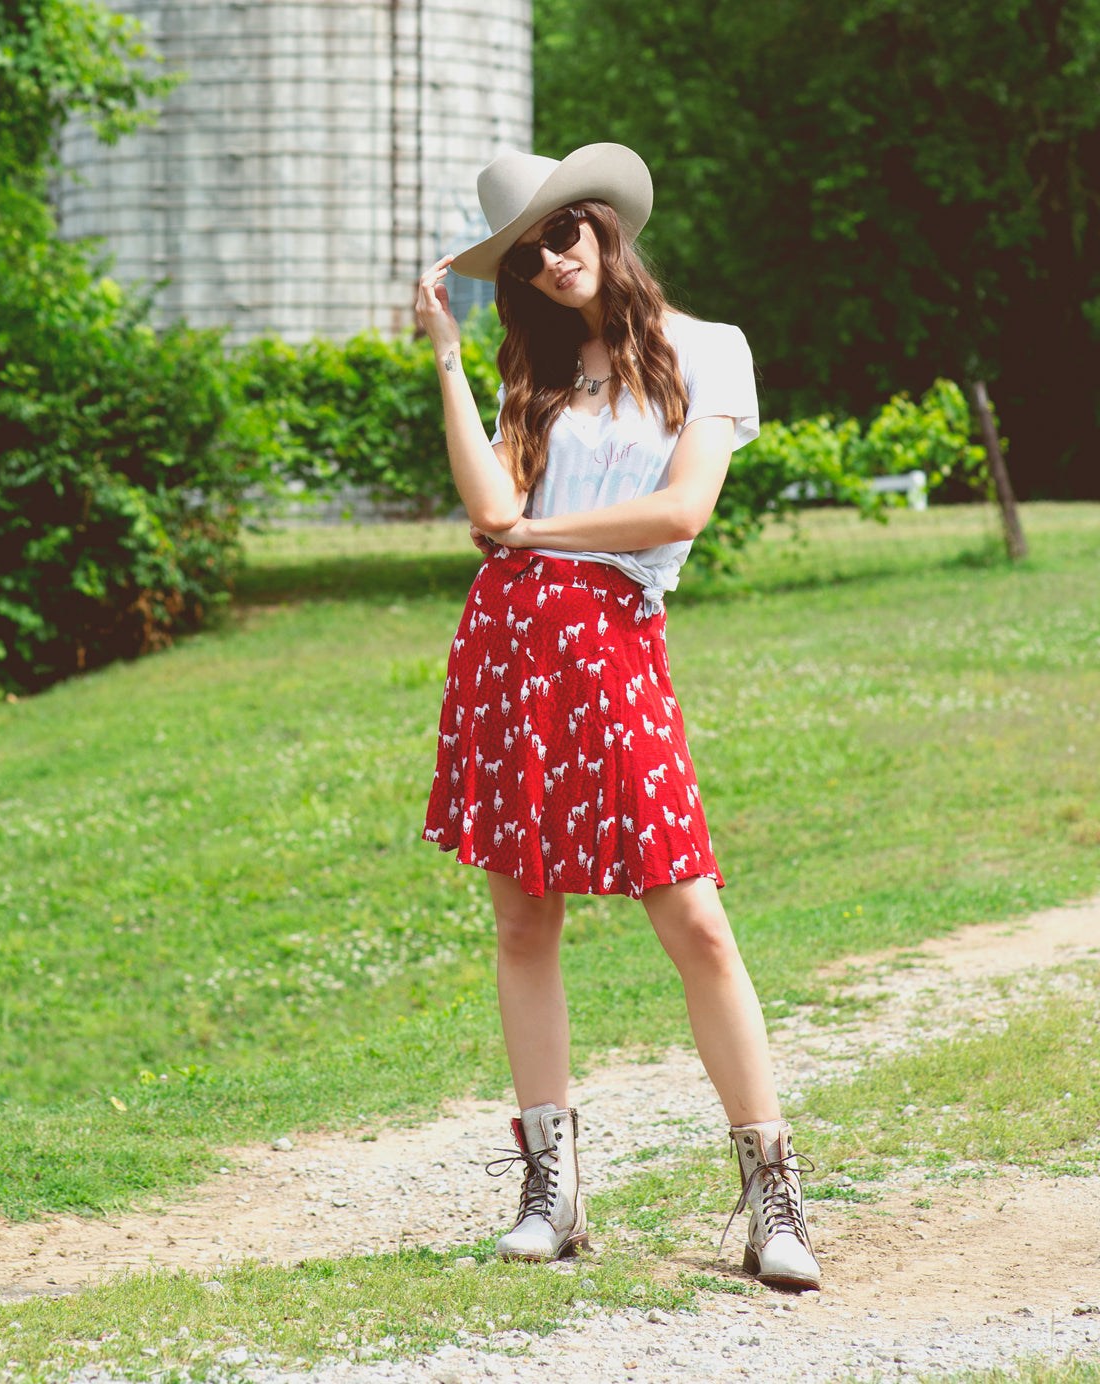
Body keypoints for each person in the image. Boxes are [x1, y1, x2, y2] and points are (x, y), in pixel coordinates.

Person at [414, 144, 819, 1291]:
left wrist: (536, 536)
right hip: (508, 650)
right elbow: (487, 506)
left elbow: (680, 508)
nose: (551, 260)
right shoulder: (534, 375)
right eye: (526, 254)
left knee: (692, 919)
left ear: (603, 224)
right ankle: (551, 1190)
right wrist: (449, 357)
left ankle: (773, 1194)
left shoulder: (709, 352)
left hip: (615, 647)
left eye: (563, 232)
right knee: (522, 922)